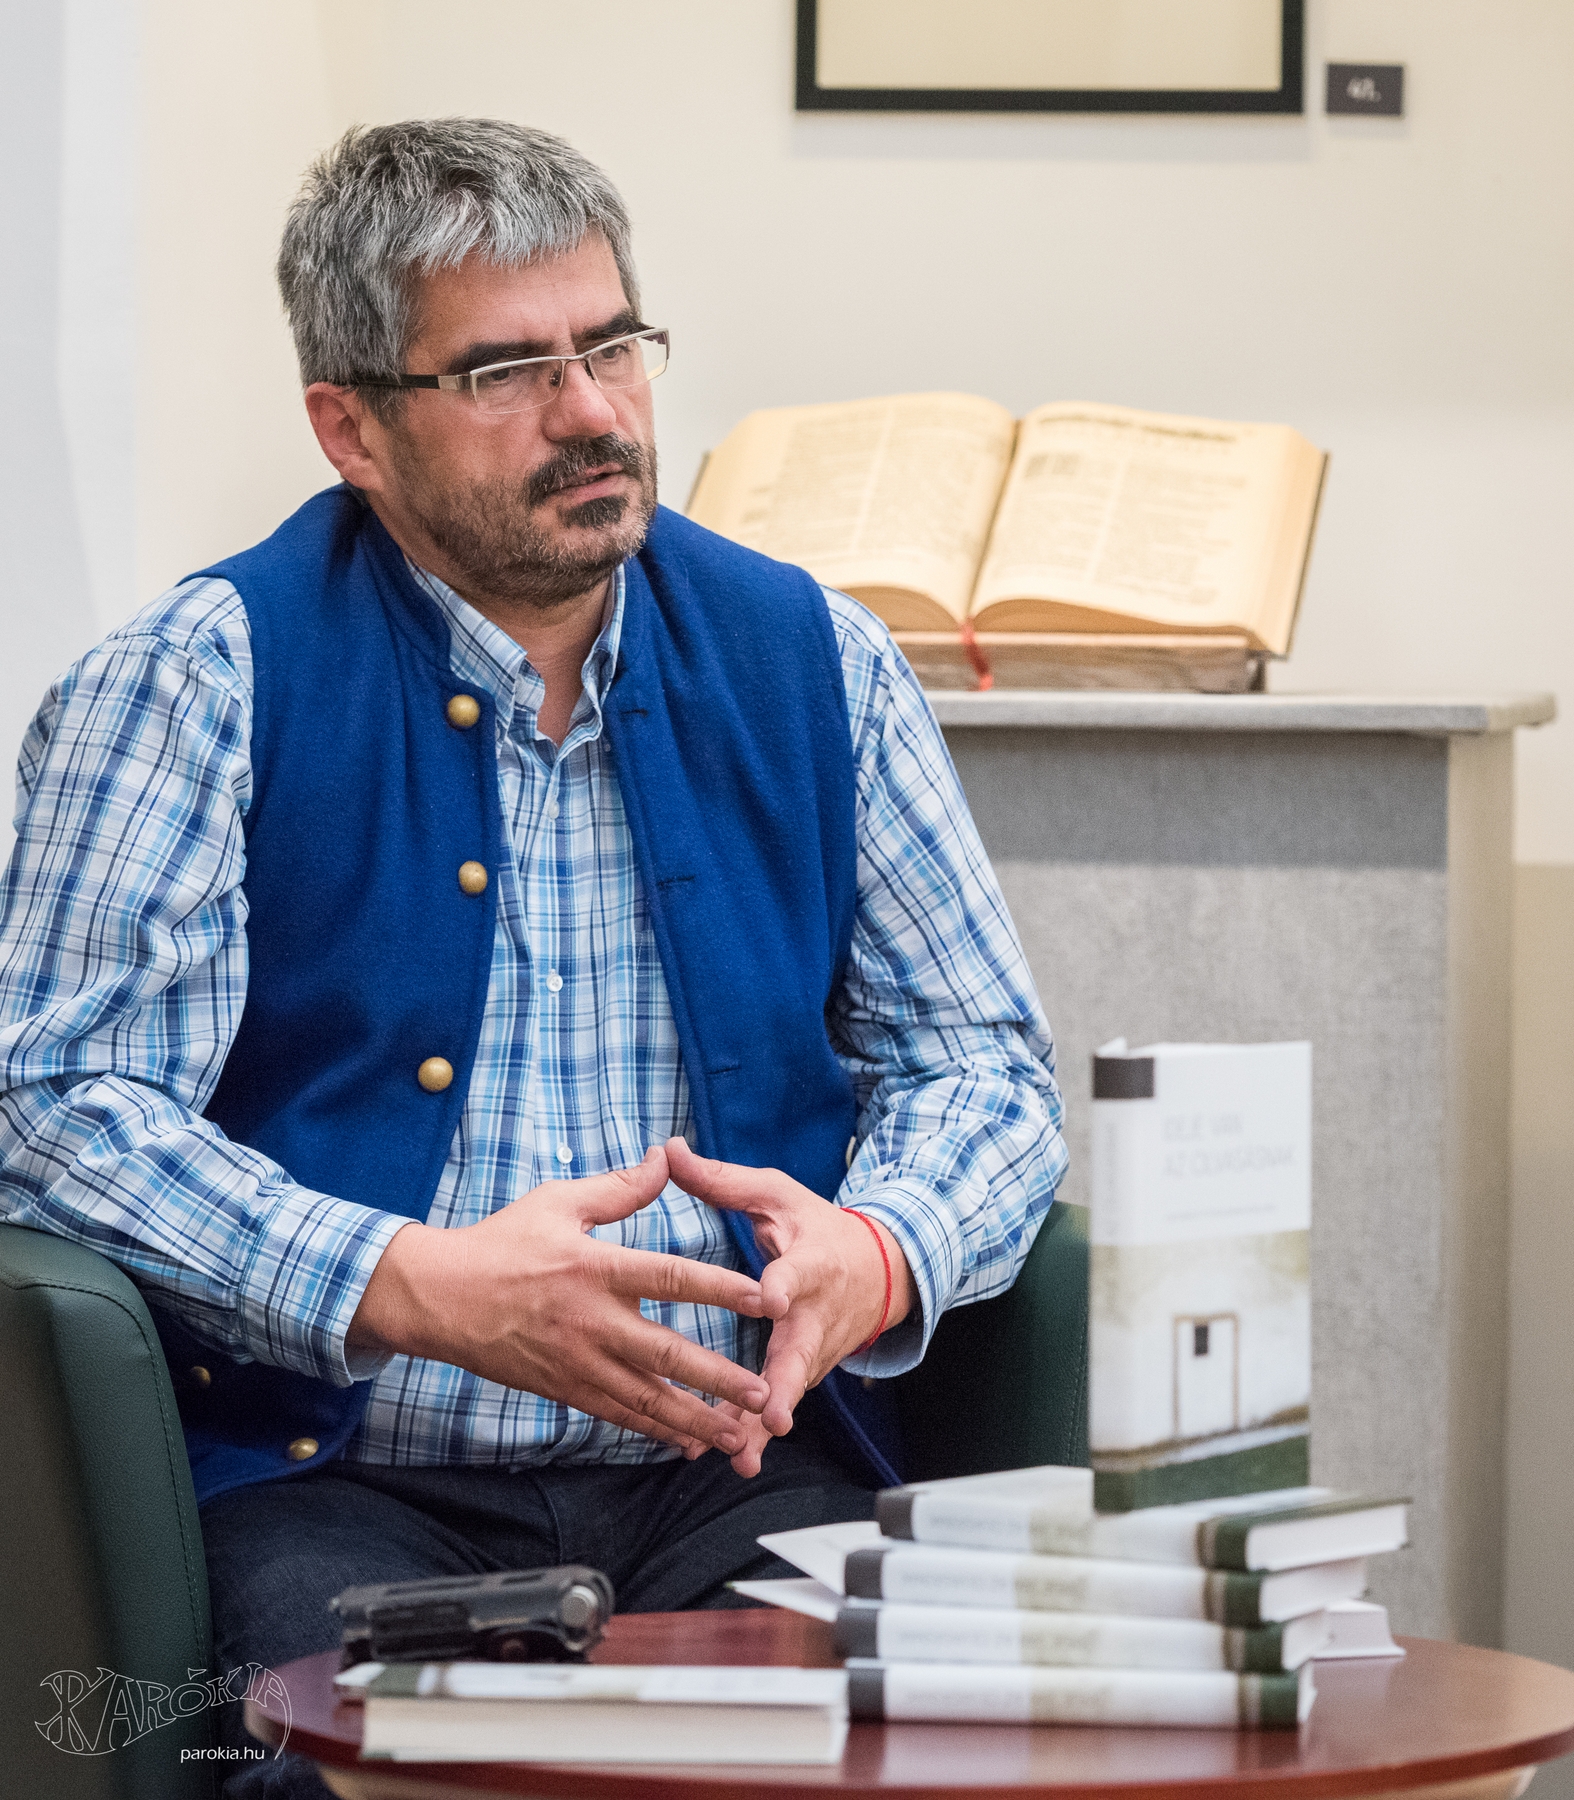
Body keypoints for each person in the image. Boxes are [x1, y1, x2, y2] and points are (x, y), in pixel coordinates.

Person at [0, 119, 1066, 1794]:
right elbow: (57, 1104)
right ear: (350, 426)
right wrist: (407, 1284)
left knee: (930, 1748)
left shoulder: (821, 662)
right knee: (405, 1769)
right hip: (332, 1483)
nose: (590, 412)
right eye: (506, 371)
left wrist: (878, 1246)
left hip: (746, 1474)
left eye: (611, 346)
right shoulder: (195, 682)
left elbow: (983, 1069)